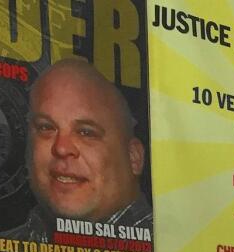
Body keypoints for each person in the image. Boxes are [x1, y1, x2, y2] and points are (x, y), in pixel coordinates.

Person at [16, 57, 152, 242]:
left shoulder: (173, 251)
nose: (61, 148)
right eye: (46, 127)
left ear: (134, 158)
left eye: (86, 132)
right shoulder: (11, 246)